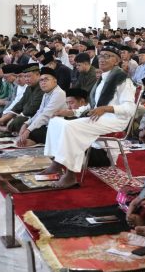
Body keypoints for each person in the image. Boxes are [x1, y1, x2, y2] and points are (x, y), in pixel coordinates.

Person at [41, 49, 137, 188]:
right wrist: (71, 112)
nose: (102, 59)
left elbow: (130, 108)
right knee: (56, 121)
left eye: (107, 56)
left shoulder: (123, 79)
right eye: (101, 56)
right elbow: (92, 106)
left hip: (115, 119)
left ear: (117, 61)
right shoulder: (103, 78)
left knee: (70, 127)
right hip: (100, 116)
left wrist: (106, 109)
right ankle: (57, 162)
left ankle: (70, 175)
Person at [15, 67, 66, 147]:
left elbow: (46, 115)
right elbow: (39, 112)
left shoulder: (59, 93)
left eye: (46, 79)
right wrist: (26, 124)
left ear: (55, 80)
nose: (43, 82)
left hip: (56, 128)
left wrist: (28, 130)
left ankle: (33, 141)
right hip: (46, 125)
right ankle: (32, 141)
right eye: (41, 80)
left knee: (33, 132)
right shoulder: (46, 94)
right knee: (25, 126)